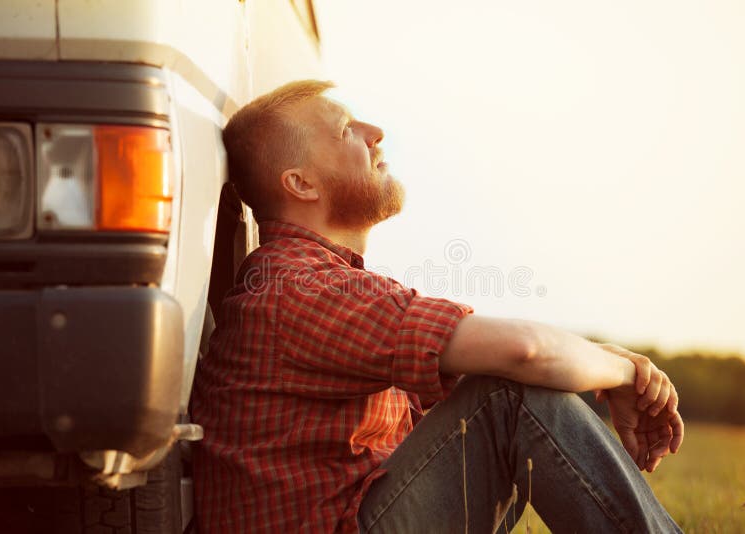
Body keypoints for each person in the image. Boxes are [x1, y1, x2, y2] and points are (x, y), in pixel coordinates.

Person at [191, 80, 685, 534]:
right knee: (506, 395)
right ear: (301, 184)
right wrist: (621, 370)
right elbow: (526, 352)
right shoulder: (302, 288)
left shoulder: (305, 281)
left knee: (497, 385)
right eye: (346, 129)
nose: (374, 132)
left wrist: (611, 358)